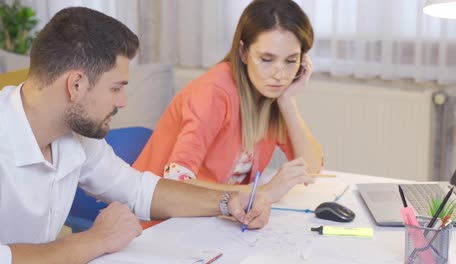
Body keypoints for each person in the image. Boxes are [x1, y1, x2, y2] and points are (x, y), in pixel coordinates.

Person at [0, 7, 272, 264]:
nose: (122, 102)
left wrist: (227, 203)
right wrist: (96, 240)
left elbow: (140, 191)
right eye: (116, 88)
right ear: (76, 85)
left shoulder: (76, 135)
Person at [134, 0, 323, 203]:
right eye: (267, 59)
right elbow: (177, 180)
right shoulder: (213, 93)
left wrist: (287, 102)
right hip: (157, 220)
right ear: (243, 52)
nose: (280, 74)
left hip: (211, 216)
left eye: (291, 61)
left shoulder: (271, 96)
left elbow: (311, 169)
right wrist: (260, 191)